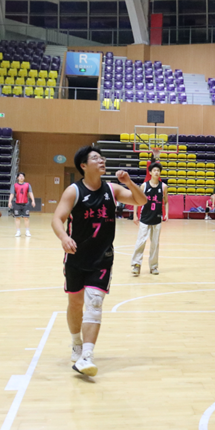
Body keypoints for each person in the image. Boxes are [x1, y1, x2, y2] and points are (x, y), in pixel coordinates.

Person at [51, 146, 147, 377]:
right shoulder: (73, 191)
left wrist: (128, 182)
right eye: (95, 158)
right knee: (75, 303)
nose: (101, 160)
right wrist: (64, 237)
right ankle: (76, 343)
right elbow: (57, 218)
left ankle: (87, 356)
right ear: (83, 165)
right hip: (76, 256)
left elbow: (141, 200)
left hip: (102, 258)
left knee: (94, 302)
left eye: (102, 157)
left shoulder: (112, 190)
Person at [131, 161, 168, 276]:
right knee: (141, 242)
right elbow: (136, 200)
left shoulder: (163, 186)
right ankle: (136, 265)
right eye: (154, 170)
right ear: (150, 172)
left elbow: (166, 201)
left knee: (155, 244)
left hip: (157, 219)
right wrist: (135, 215)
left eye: (158, 170)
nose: (156, 172)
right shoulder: (144, 186)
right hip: (145, 218)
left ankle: (153, 266)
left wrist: (166, 213)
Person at [8, 172, 35, 237]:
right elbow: (12, 194)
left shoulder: (27, 185)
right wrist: (9, 201)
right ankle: (18, 231)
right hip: (17, 204)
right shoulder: (14, 185)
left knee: (26, 218)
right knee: (17, 218)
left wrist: (33, 201)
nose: (21, 177)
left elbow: (30, 193)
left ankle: (27, 231)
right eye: (20, 176)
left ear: (24, 177)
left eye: (22, 176)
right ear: (17, 178)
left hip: (25, 204)